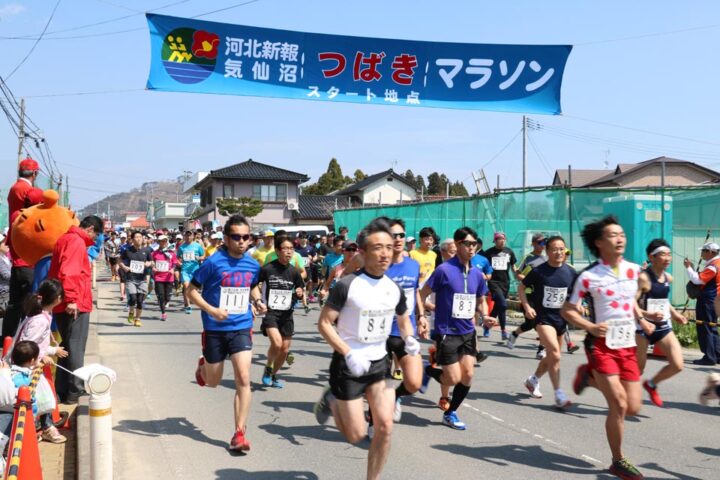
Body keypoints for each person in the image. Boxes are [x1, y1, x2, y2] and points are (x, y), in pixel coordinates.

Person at [313, 218, 417, 480]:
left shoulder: (393, 288)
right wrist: (348, 352)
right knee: (356, 435)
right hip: (348, 366)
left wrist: (409, 338)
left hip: (379, 364)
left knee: (384, 427)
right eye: (378, 248)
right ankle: (333, 399)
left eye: (389, 247)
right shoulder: (348, 285)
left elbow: (403, 319)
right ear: (363, 252)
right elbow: (324, 324)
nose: (385, 253)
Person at [561, 215, 656, 480]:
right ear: (600, 243)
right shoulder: (588, 276)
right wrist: (589, 327)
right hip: (601, 345)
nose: (620, 239)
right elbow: (567, 309)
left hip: (627, 345)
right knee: (619, 404)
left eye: (622, 234)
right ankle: (618, 460)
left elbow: (629, 299)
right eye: (613, 235)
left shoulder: (635, 270)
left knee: (634, 407)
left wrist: (644, 317)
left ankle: (589, 378)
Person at [187, 214, 265, 451]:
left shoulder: (253, 264)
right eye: (236, 237)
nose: (242, 241)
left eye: (246, 237)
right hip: (214, 329)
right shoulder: (213, 263)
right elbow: (190, 291)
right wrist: (211, 310)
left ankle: (239, 433)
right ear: (226, 238)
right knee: (213, 382)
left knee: (243, 377)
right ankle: (203, 368)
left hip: (242, 326)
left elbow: (251, 286)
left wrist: (258, 301)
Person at [418, 227, 494, 430]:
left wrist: (485, 315)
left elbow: (480, 299)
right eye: (468, 244)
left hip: (467, 331)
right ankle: (427, 371)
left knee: (468, 375)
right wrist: (421, 316)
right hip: (446, 331)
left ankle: (450, 413)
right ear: (458, 245)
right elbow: (421, 294)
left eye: (474, 244)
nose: (472, 248)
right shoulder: (443, 270)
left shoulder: (477, 274)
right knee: (452, 378)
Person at [367, 218, 427, 435]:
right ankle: (374, 420)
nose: (399, 239)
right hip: (379, 333)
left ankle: (396, 396)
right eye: (394, 236)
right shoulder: (379, 265)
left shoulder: (413, 264)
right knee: (378, 384)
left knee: (413, 382)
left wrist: (421, 316)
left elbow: (415, 292)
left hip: (405, 331)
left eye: (402, 235)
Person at [519, 236, 575, 409]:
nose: (558, 252)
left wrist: (579, 307)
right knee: (555, 354)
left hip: (561, 320)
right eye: (554, 249)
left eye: (561, 249)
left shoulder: (571, 272)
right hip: (543, 319)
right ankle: (559, 394)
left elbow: (577, 293)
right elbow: (521, 287)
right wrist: (527, 307)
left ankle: (533, 380)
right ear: (547, 251)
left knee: (553, 355)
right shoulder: (538, 271)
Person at [13, 280, 68, 442]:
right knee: (40, 398)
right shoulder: (40, 320)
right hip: (26, 366)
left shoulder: (41, 315)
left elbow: (36, 344)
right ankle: (43, 428)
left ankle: (43, 426)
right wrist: (39, 357)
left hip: (30, 363)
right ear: (58, 298)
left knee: (42, 398)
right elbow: (27, 344)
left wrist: (52, 350)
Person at [634, 239, 687, 407]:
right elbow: (630, 304)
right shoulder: (643, 278)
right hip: (643, 327)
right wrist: (647, 315)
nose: (668, 258)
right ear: (652, 257)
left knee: (678, 364)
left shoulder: (668, 277)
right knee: (638, 369)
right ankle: (622, 395)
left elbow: (663, 301)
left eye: (669, 254)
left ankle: (651, 384)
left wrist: (675, 314)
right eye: (663, 254)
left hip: (662, 326)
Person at [3, 157, 44, 339]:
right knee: (30, 302)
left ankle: (7, 341)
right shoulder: (28, 190)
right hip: (28, 255)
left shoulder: (14, 189)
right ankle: (26, 340)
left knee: (14, 304)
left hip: (17, 252)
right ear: (34, 174)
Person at [258, 233, 304, 388]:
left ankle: (273, 374)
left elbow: (300, 287)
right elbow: (253, 285)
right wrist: (257, 301)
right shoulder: (268, 269)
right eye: (285, 249)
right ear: (277, 251)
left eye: (291, 248)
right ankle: (269, 366)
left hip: (287, 314)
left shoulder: (294, 271)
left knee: (284, 350)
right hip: (271, 312)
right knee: (277, 344)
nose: (289, 252)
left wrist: (299, 291)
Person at [684, 242, 720, 365]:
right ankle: (716, 355)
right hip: (714, 301)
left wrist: (688, 267)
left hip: (707, 301)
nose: (701, 254)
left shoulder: (712, 267)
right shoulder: (717, 264)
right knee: (712, 327)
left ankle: (709, 357)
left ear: (710, 252)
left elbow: (697, 280)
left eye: (703, 251)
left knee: (705, 328)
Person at [482, 232, 519, 340]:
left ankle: (487, 326)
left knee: (498, 305)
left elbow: (513, 266)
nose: (502, 240)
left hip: (505, 282)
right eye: (499, 239)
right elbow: (484, 267)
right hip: (493, 282)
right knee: (502, 304)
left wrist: (517, 274)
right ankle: (503, 330)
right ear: (495, 240)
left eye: (503, 239)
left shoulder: (509, 252)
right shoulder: (489, 253)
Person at [119, 231, 153, 327]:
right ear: (133, 239)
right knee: (133, 298)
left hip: (142, 279)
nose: (139, 239)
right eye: (137, 237)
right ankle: (131, 312)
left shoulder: (146, 251)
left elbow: (152, 262)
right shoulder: (127, 250)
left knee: (140, 300)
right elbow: (119, 260)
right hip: (131, 279)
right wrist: (124, 267)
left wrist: (149, 263)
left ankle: (137, 319)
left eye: (140, 237)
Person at [151, 235, 178, 321]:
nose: (163, 243)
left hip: (169, 277)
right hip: (158, 277)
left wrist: (172, 269)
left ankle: (165, 302)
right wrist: (153, 268)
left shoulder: (171, 253)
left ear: (167, 242)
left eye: (164, 241)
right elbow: (151, 263)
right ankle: (163, 313)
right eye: (161, 241)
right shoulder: (154, 253)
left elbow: (174, 263)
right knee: (161, 296)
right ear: (158, 242)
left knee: (168, 297)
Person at [178, 230, 206, 314]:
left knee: (193, 289)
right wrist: (179, 263)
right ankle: (188, 306)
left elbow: (203, 255)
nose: (188, 237)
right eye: (186, 235)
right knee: (186, 286)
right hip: (185, 270)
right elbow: (177, 257)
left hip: (195, 270)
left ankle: (187, 301)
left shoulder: (197, 246)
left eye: (190, 235)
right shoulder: (181, 247)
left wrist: (200, 258)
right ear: (184, 237)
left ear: (193, 236)